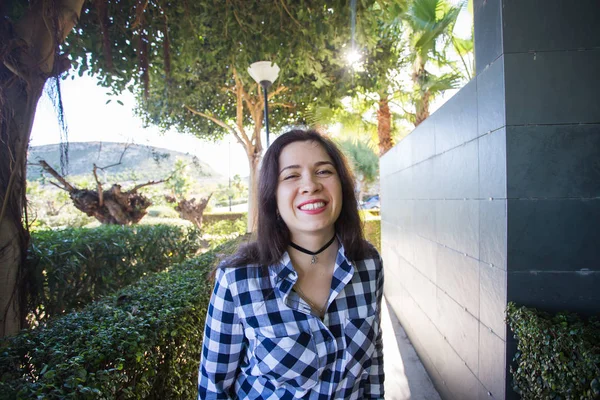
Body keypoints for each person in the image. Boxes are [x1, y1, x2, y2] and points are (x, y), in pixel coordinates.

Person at [198, 129, 384, 399]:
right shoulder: (238, 280)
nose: (310, 185)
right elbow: (213, 388)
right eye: (291, 175)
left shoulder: (368, 264)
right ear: (272, 198)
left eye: (323, 171)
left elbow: (373, 361)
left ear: (342, 186)